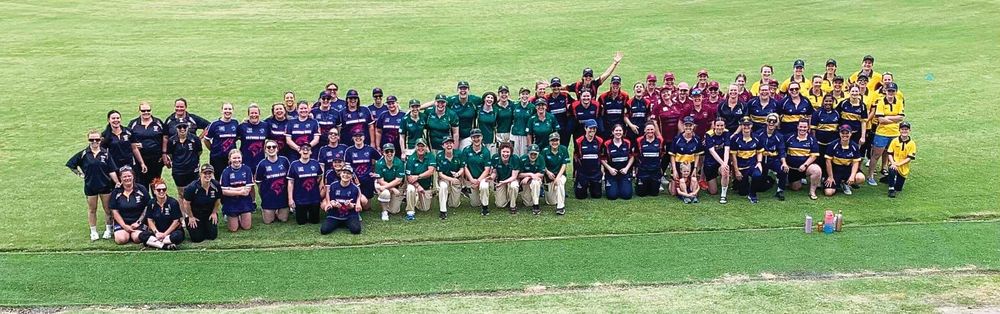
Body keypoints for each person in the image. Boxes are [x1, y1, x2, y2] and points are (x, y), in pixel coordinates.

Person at [67, 130, 121, 240]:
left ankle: (108, 230)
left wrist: (117, 182)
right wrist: (80, 174)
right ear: (88, 140)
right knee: (92, 209)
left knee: (108, 209)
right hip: (90, 186)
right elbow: (71, 164)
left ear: (101, 140)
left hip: (105, 185)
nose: (94, 141)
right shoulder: (83, 154)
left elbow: (111, 170)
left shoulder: (106, 153)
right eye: (92, 139)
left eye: (97, 139)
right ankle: (93, 231)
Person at [867, 82, 905, 186]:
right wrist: (894, 119)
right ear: (885, 91)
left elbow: (901, 117)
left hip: (895, 133)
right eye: (889, 90)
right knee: (876, 155)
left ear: (896, 92)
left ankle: (891, 175)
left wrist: (887, 117)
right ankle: (870, 176)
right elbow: (880, 119)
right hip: (882, 133)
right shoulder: (881, 102)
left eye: (893, 91)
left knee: (892, 155)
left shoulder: (899, 102)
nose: (891, 93)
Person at [165, 123, 202, 217]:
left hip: (193, 170)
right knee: (182, 194)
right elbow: (170, 155)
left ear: (187, 127)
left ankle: (195, 213)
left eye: (184, 127)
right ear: (176, 128)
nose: (182, 129)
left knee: (195, 191)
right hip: (178, 171)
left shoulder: (195, 139)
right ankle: (184, 216)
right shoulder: (172, 140)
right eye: (179, 127)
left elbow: (199, 152)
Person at [128, 101, 167, 186]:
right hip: (139, 160)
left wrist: (164, 153)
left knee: (155, 184)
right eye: (143, 111)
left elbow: (165, 137)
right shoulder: (133, 123)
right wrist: (133, 145)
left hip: (156, 160)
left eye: (148, 110)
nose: (146, 112)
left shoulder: (158, 122)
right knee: (141, 184)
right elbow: (128, 139)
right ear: (139, 111)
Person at [109, 167, 149, 245]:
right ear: (120, 178)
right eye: (124, 176)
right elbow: (114, 211)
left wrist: (138, 222)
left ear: (133, 176)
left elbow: (147, 207)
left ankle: (133, 233)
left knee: (137, 238)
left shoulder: (141, 189)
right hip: (122, 222)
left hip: (138, 221)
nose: (127, 178)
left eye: (129, 176)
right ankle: (125, 233)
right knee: (121, 240)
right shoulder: (116, 192)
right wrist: (124, 225)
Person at [139, 178, 183, 250]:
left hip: (171, 232)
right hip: (158, 232)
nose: (161, 191)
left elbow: (176, 222)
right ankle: (165, 246)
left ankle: (155, 243)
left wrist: (165, 234)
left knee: (177, 236)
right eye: (159, 190)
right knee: (142, 235)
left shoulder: (173, 202)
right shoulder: (151, 203)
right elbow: (150, 220)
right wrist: (156, 233)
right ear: (154, 191)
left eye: (164, 189)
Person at [784, 119, 823, 200]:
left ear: (808, 128)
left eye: (805, 127)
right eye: (801, 126)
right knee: (795, 188)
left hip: (805, 167)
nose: (802, 129)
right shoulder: (789, 137)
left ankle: (812, 191)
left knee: (816, 170)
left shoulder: (812, 139)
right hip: (793, 169)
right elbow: (782, 151)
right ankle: (790, 179)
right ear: (797, 127)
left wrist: (805, 165)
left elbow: (814, 156)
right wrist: (785, 163)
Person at [182, 164, 221, 243]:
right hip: (195, 214)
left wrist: (214, 212)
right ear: (200, 174)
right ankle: (191, 224)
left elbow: (218, 200)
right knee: (197, 238)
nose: (207, 175)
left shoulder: (216, 185)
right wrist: (191, 217)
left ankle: (205, 226)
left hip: (208, 214)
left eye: (209, 173)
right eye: (205, 173)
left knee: (212, 236)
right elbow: (186, 203)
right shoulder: (192, 187)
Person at [254, 140, 290, 224]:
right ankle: (267, 209)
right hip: (269, 198)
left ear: (277, 149)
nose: (271, 148)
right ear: (265, 150)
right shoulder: (261, 164)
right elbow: (259, 184)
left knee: (283, 219)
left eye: (274, 147)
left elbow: (289, 180)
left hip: (283, 197)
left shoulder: (284, 161)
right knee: (268, 221)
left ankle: (279, 210)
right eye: (268, 147)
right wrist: (264, 197)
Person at [824, 125, 866, 196]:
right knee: (828, 193)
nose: (845, 135)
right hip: (835, 169)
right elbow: (828, 162)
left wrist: (852, 176)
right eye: (842, 133)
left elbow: (856, 163)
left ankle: (846, 184)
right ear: (839, 133)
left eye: (847, 133)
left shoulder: (854, 146)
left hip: (848, 169)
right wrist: (830, 177)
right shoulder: (833, 145)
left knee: (860, 178)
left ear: (851, 134)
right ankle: (838, 183)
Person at [102, 110, 146, 176]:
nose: (116, 120)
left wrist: (142, 163)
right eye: (113, 118)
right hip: (115, 166)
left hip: (129, 164)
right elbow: (103, 152)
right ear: (108, 120)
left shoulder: (128, 131)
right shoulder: (105, 135)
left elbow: (134, 149)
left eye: (118, 118)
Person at [730, 117, 764, 204]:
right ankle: (740, 184)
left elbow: (759, 152)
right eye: (744, 125)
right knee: (742, 192)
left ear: (751, 125)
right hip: (741, 166)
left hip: (752, 164)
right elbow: (733, 156)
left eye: (748, 125)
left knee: (757, 175)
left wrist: (759, 162)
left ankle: (753, 195)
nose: (746, 127)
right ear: (741, 126)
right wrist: (736, 171)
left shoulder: (757, 137)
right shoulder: (735, 139)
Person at [287, 145, 323, 225]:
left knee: (314, 221)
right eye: (303, 149)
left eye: (308, 149)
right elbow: (291, 182)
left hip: (314, 198)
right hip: (300, 199)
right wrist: (290, 199)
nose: (305, 150)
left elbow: (319, 177)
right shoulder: (294, 164)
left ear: (311, 152)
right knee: (301, 222)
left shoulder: (315, 163)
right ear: (299, 151)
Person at [220, 150, 255, 232]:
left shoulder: (247, 169)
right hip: (231, 202)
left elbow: (247, 190)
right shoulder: (226, 172)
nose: (237, 160)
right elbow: (224, 191)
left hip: (244, 201)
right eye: (234, 158)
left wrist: (230, 189)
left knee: (246, 227)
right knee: (233, 229)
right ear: (230, 159)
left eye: (239, 158)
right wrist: (240, 191)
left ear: (242, 158)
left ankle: (241, 215)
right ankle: (228, 214)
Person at [321, 167, 363, 235]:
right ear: (340, 174)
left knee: (356, 230)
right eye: (344, 172)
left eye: (348, 173)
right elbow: (331, 200)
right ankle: (338, 223)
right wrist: (333, 204)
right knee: (324, 230)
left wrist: (349, 205)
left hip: (349, 215)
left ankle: (345, 223)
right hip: (334, 215)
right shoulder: (333, 185)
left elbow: (353, 206)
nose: (345, 175)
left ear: (351, 176)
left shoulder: (355, 188)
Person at [670, 117, 703, 200]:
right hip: (678, 165)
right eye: (686, 125)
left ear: (693, 126)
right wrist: (674, 170)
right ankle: (672, 182)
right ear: (683, 126)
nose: (688, 127)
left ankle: (690, 193)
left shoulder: (697, 139)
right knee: (673, 193)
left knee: (693, 180)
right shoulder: (677, 139)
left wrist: (695, 168)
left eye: (690, 125)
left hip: (691, 166)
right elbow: (672, 155)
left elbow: (697, 155)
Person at [345, 132, 381, 209]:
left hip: (368, 180)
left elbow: (381, 160)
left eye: (360, 136)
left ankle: (361, 202)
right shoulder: (349, 150)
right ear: (353, 138)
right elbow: (347, 167)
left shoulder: (370, 149)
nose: (358, 138)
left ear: (364, 137)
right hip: (355, 180)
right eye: (356, 136)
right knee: (354, 204)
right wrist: (351, 177)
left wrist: (376, 172)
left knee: (366, 207)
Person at [204, 103, 239, 181]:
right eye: (225, 109)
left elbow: (236, 137)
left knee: (231, 179)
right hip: (217, 158)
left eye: (230, 109)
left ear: (233, 110)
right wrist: (213, 149)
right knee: (218, 180)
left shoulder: (235, 123)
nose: (227, 111)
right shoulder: (215, 124)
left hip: (231, 158)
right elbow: (206, 139)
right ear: (221, 111)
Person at [405, 139, 438, 219]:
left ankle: (416, 200)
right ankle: (410, 211)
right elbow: (409, 178)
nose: (420, 148)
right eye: (418, 146)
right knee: (410, 189)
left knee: (425, 209)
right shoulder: (411, 158)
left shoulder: (430, 156)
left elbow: (430, 171)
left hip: (426, 187)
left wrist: (418, 176)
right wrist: (418, 186)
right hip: (414, 185)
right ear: (415, 147)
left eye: (422, 146)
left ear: (426, 147)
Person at [756, 113, 786, 200]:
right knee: (760, 187)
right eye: (769, 121)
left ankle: (780, 190)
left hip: (773, 159)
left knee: (783, 169)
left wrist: (784, 163)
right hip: (761, 159)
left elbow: (782, 150)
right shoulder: (758, 133)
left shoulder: (779, 136)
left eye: (774, 121)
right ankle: (769, 179)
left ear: (777, 123)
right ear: (766, 122)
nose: (771, 123)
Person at [463, 129, 493, 215]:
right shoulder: (466, 150)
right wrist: (472, 180)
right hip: (471, 179)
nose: (476, 139)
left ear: (481, 137)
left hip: (482, 178)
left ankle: (485, 207)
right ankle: (469, 190)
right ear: (471, 138)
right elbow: (465, 167)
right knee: (475, 204)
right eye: (474, 137)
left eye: (478, 137)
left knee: (484, 187)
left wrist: (478, 181)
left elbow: (487, 169)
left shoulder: (486, 151)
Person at [601, 124, 634, 200]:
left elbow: (632, 157)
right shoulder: (607, 144)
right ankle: (612, 185)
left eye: (620, 130)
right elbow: (602, 158)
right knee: (612, 196)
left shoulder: (628, 142)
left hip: (624, 173)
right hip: (611, 173)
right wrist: (610, 169)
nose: (618, 132)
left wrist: (626, 168)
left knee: (627, 195)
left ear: (623, 132)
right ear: (612, 132)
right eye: (616, 130)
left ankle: (622, 184)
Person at [448, 81, 484, 149]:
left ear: (468, 90)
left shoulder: (474, 100)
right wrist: (424, 106)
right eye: (461, 88)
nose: (463, 91)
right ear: (457, 90)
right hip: (453, 136)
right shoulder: (451, 101)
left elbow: (489, 100)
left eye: (465, 89)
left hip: (468, 136)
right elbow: (438, 102)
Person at [540, 133, 569, 215]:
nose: (554, 142)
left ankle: (560, 207)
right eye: (552, 140)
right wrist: (548, 172)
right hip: (549, 176)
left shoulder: (563, 149)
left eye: (556, 140)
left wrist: (557, 177)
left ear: (559, 141)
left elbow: (564, 165)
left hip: (560, 175)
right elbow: (542, 165)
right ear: (549, 142)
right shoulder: (545, 151)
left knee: (560, 182)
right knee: (551, 202)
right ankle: (558, 193)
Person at [574, 119, 604, 200]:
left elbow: (601, 156)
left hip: (595, 172)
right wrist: (577, 171)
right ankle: (580, 183)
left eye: (594, 128)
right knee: (580, 196)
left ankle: (593, 184)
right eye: (590, 128)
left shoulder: (600, 141)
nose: (592, 130)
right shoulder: (579, 141)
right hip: (583, 172)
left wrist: (602, 170)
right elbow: (576, 156)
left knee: (596, 195)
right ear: (585, 128)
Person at [702, 119, 731, 203]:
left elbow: (727, 149)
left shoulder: (726, 133)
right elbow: (712, 151)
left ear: (724, 126)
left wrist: (724, 164)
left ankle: (723, 195)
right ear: (714, 126)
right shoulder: (709, 134)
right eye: (718, 125)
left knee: (725, 171)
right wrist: (723, 163)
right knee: (713, 192)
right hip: (710, 162)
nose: (720, 127)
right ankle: (709, 181)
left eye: (722, 125)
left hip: (722, 161)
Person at [374, 144, 405, 220]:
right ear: (383, 152)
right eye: (387, 151)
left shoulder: (399, 163)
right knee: (385, 193)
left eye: (391, 151)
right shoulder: (379, 163)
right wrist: (392, 189)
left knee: (394, 211)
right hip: (383, 185)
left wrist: (388, 187)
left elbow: (398, 180)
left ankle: (385, 201)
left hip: (395, 186)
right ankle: (384, 211)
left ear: (394, 152)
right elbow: (380, 181)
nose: (389, 153)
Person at [633, 123, 664, 197]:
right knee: (641, 194)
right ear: (644, 130)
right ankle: (640, 183)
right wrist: (637, 167)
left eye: (652, 129)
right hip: (643, 170)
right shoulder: (639, 140)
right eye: (648, 129)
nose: (650, 131)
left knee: (654, 194)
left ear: (655, 130)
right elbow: (636, 155)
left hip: (655, 170)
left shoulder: (660, 140)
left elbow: (662, 154)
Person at [886, 122, 916, 198]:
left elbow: (909, 158)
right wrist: (893, 163)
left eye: (906, 129)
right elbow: (889, 153)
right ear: (899, 130)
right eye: (902, 129)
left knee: (898, 188)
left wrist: (898, 164)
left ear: (909, 130)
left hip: (903, 167)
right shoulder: (895, 141)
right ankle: (891, 189)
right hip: (894, 163)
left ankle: (889, 179)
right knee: (892, 169)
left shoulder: (912, 143)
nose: (904, 131)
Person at [238, 104, 270, 174]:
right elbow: (233, 139)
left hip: (260, 160)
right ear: (248, 114)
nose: (254, 115)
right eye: (252, 113)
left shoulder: (265, 126)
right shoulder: (242, 126)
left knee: (260, 179)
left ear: (259, 114)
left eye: (256, 113)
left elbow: (271, 140)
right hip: (245, 161)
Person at [811, 94, 842, 166]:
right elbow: (813, 129)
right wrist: (815, 141)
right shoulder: (817, 113)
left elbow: (839, 128)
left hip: (832, 143)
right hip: (820, 143)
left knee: (830, 161)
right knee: (820, 161)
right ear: (823, 101)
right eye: (826, 101)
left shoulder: (837, 113)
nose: (828, 103)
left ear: (833, 102)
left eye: (830, 101)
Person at [491, 143, 521, 214]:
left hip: (512, 180)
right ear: (500, 152)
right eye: (503, 152)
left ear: (511, 153)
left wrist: (503, 182)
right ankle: (507, 197)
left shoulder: (515, 158)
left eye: (507, 152)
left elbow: (514, 176)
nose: (505, 154)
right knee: (500, 205)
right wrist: (491, 177)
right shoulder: (495, 158)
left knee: (514, 186)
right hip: (501, 180)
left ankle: (513, 205)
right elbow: (494, 172)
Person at [545, 77, 575, 147]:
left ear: (560, 86)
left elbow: (575, 104)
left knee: (564, 148)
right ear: (551, 87)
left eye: (558, 85)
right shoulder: (547, 98)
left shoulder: (565, 96)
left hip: (564, 129)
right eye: (554, 86)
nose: (556, 87)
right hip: (553, 129)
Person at [598, 75, 630, 140]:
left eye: (617, 84)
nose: (615, 86)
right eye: (614, 83)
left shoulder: (625, 96)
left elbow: (628, 112)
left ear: (620, 85)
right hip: (607, 127)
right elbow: (599, 113)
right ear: (610, 84)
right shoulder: (603, 97)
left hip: (620, 128)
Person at [518, 144, 545, 214]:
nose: (533, 156)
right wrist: (530, 174)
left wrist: (529, 176)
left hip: (535, 180)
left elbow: (542, 173)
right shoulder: (523, 159)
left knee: (535, 182)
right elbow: (519, 174)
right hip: (525, 182)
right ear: (528, 153)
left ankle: (536, 205)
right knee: (528, 204)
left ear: (538, 154)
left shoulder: (541, 158)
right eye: (531, 154)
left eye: (535, 154)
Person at [510, 88, 535, 156]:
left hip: (526, 135)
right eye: (523, 94)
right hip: (515, 134)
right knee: (515, 154)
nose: (525, 96)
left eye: (526, 94)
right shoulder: (514, 105)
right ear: (519, 95)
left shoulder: (532, 107)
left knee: (524, 154)